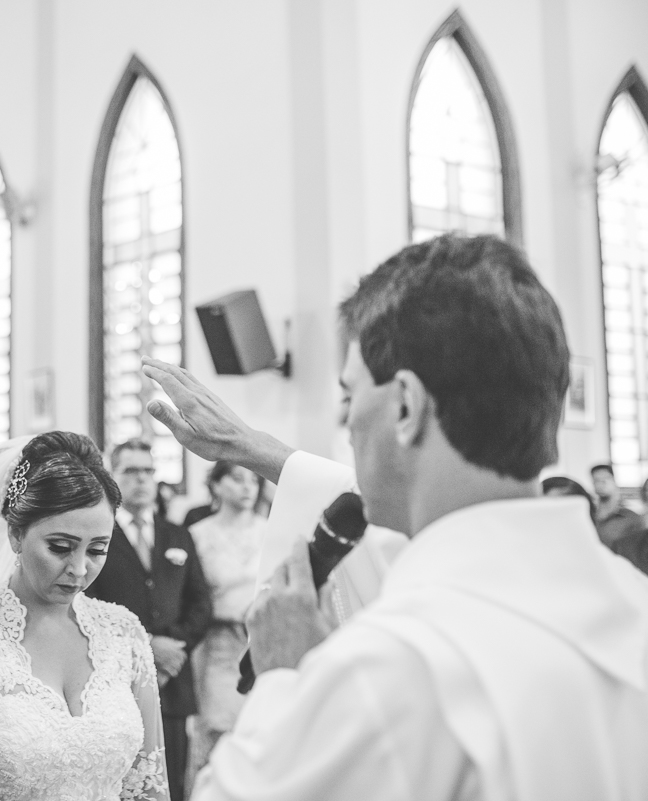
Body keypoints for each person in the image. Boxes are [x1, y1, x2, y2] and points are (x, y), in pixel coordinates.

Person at [140, 234, 648, 800]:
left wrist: (285, 676)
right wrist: (252, 448)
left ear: (406, 404)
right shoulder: (629, 600)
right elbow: (387, 521)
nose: (346, 423)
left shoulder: (391, 668)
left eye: (348, 395)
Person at [0, 432, 169, 801]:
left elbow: (149, 786)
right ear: (16, 534)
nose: (79, 569)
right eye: (60, 547)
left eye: (97, 550)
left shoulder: (124, 633)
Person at [84, 439, 212, 801]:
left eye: (148, 470)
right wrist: (147, 646)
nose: (141, 479)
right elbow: (87, 601)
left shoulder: (177, 534)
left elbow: (201, 603)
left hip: (173, 681)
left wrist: (175, 648)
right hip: (117, 679)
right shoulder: (98, 534)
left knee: (171, 782)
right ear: (111, 476)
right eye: (131, 471)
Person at [186, 461, 267, 782]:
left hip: (262, 642)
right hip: (218, 642)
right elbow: (192, 596)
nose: (248, 487)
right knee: (218, 733)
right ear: (216, 485)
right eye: (237, 479)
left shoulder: (270, 530)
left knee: (260, 732)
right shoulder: (198, 534)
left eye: (253, 480)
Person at [591, 463, 641, 548]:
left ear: (614, 480)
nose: (601, 484)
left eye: (605, 478)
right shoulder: (589, 513)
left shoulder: (630, 516)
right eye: (597, 480)